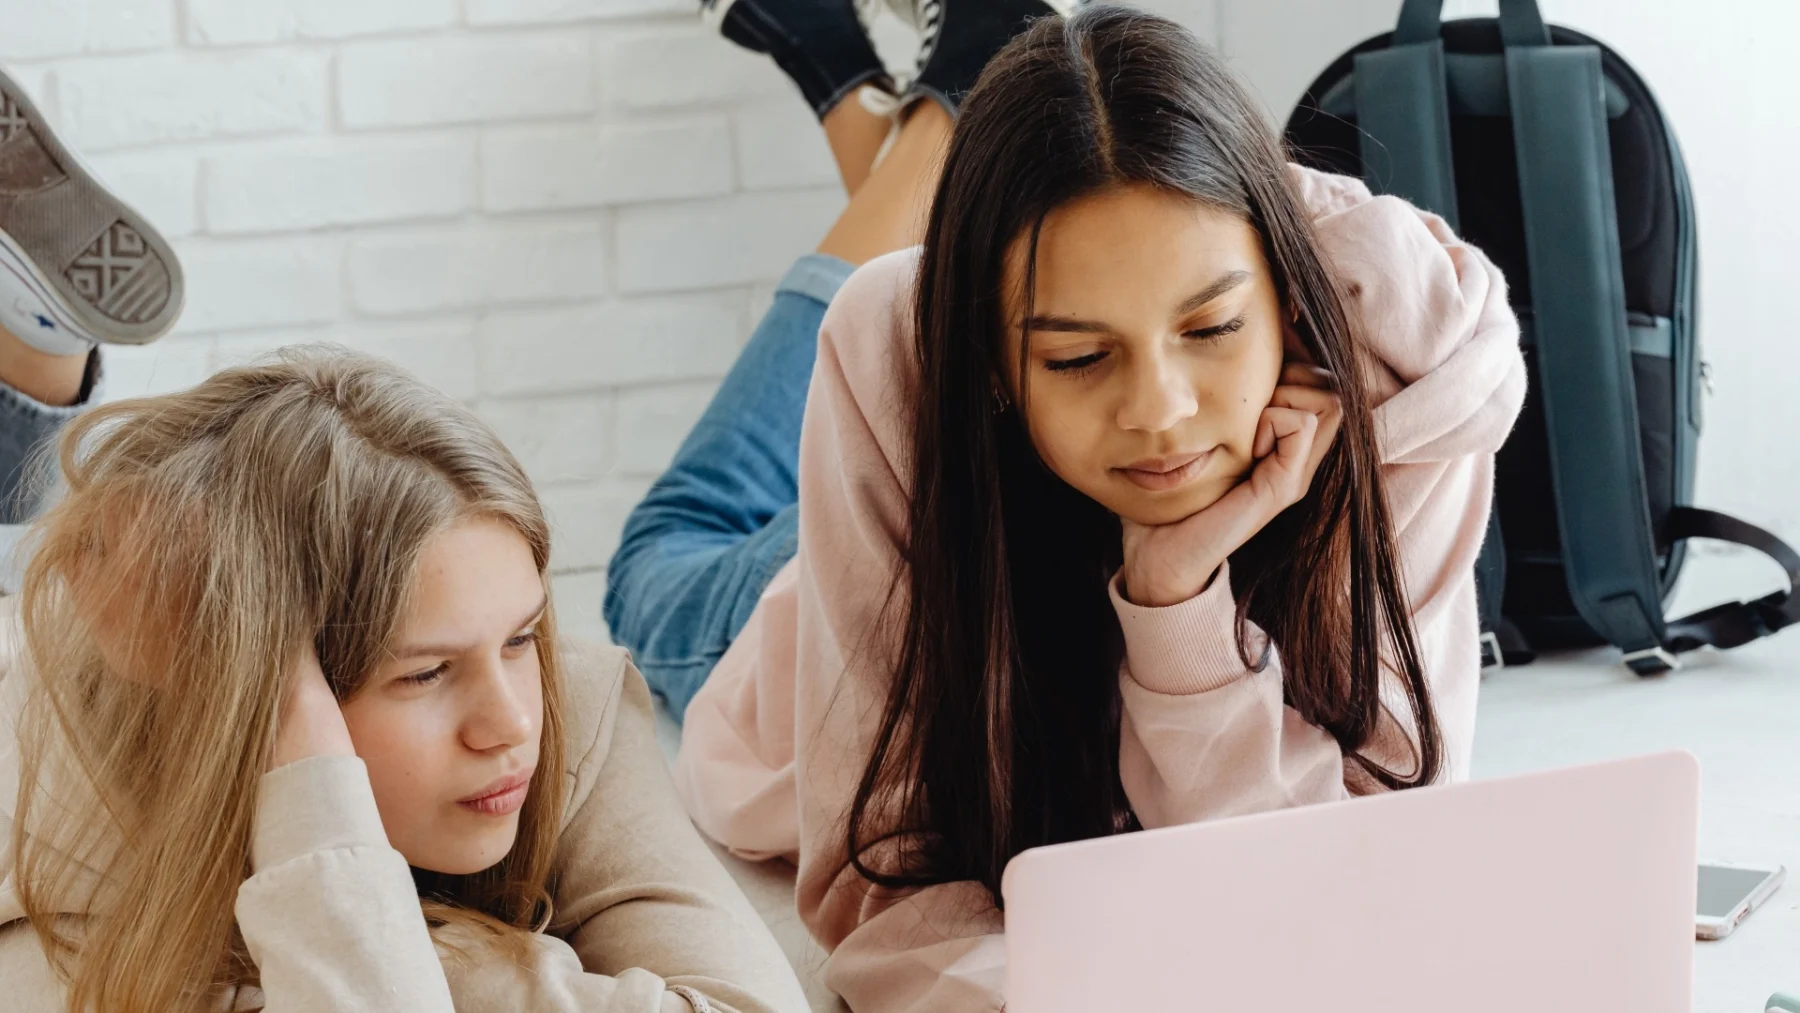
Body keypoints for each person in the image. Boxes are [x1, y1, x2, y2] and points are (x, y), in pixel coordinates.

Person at [604, 4, 1527, 1012]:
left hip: (1029, 462)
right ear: (998, 364)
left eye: (1213, 327)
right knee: (659, 561)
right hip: (846, 576)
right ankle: (924, 107)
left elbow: (1344, 879)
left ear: (1288, 301)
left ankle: (919, 101)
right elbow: (888, 884)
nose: (1163, 415)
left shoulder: (1402, 378)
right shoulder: (898, 355)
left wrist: (1177, 600)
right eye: (1079, 356)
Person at [0, 69, 810, 1013]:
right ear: (250, 679)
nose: (509, 721)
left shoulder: (567, 706)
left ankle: (38, 341)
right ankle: (39, 348)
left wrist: (446, 960)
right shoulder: (68, 797)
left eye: (520, 635)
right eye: (423, 674)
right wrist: (310, 777)